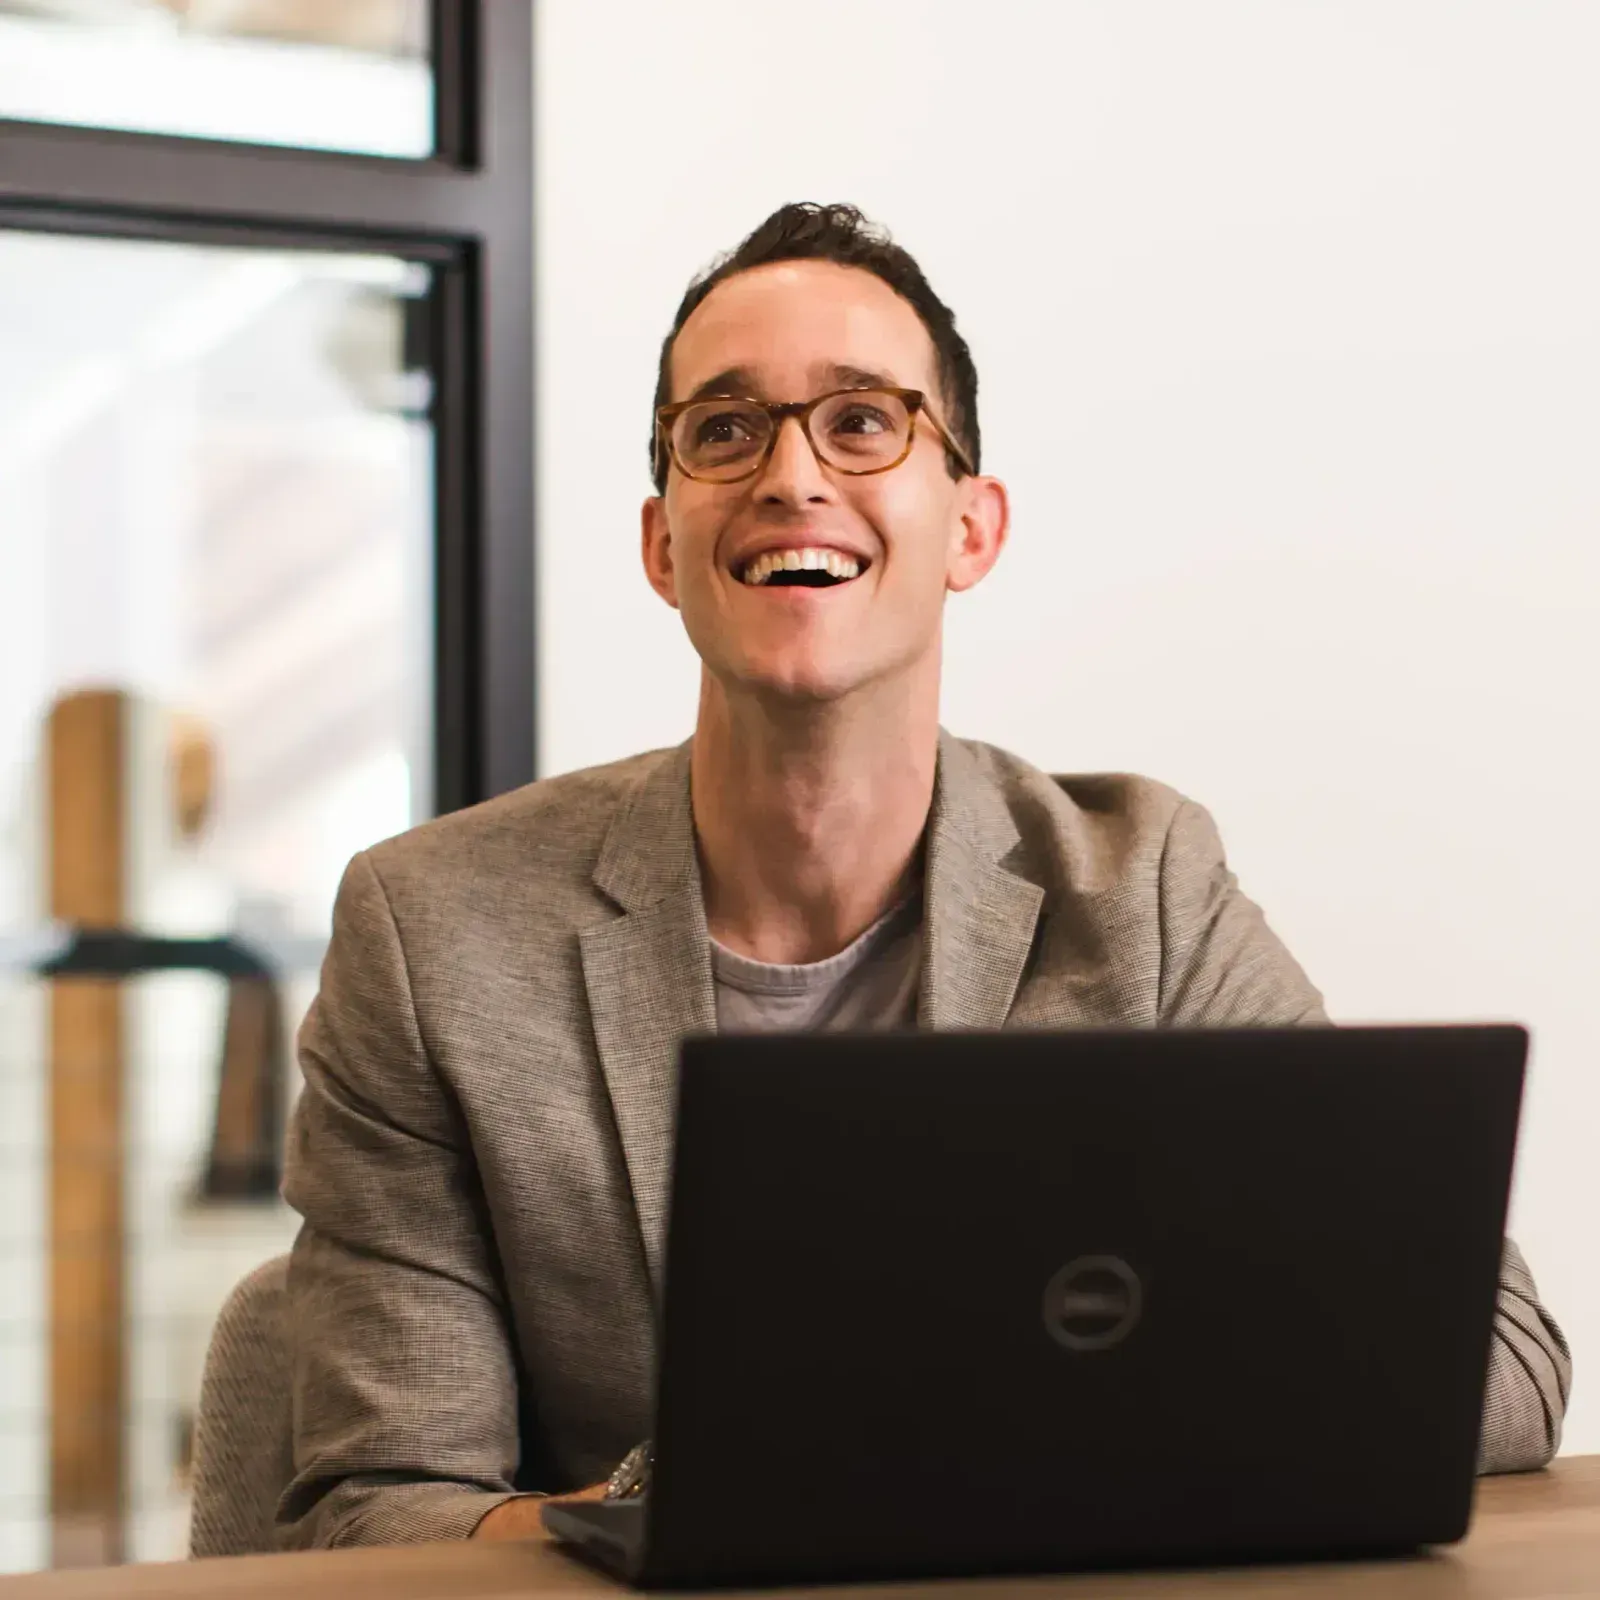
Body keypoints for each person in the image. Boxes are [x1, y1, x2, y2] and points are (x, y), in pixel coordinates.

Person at [279, 203, 1570, 1550]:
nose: (790, 475)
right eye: (725, 429)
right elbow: (378, 1508)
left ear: (972, 527)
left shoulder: (1143, 890)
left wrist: (951, 1450)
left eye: (863, 420)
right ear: (664, 546)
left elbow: (1500, 1364)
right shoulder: (433, 933)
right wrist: (675, 1505)